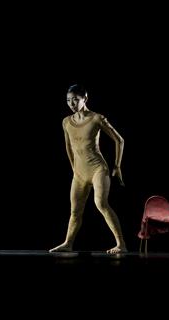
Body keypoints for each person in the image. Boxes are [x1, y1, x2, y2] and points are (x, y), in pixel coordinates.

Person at [50, 84, 127, 254]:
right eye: (68, 100)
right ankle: (68, 243)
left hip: (98, 169)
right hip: (79, 173)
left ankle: (121, 244)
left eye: (75, 100)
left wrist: (117, 166)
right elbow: (69, 147)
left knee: (101, 203)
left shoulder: (96, 118)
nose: (71, 103)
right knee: (75, 211)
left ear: (85, 98)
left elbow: (119, 140)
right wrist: (74, 169)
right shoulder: (66, 122)